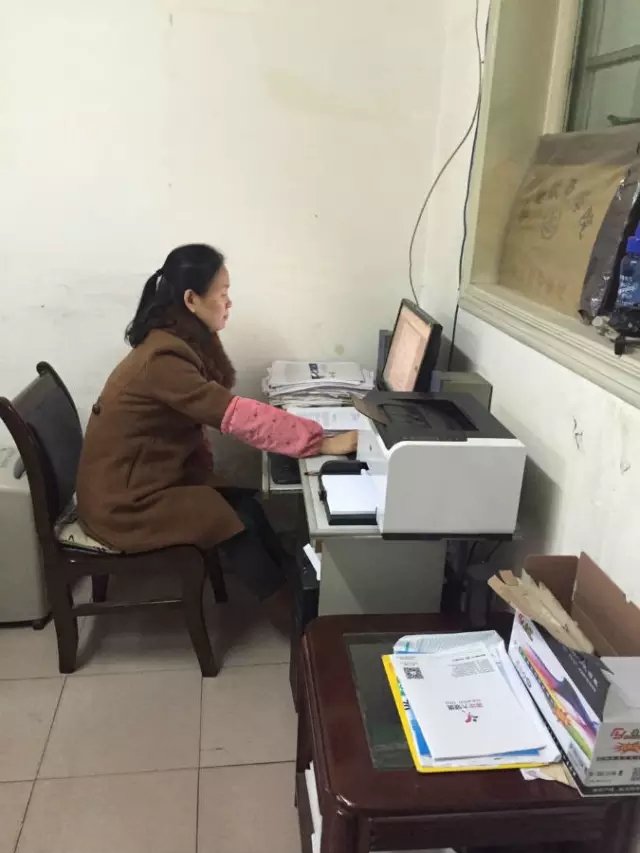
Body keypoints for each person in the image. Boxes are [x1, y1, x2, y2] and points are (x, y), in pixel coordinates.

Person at [76, 244, 357, 632]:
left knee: (247, 507)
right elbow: (235, 415)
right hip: (124, 504)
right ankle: (296, 622)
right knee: (231, 521)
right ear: (191, 300)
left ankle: (300, 594)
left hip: (142, 483)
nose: (229, 302)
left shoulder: (175, 341)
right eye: (222, 293)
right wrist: (320, 442)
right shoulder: (163, 360)